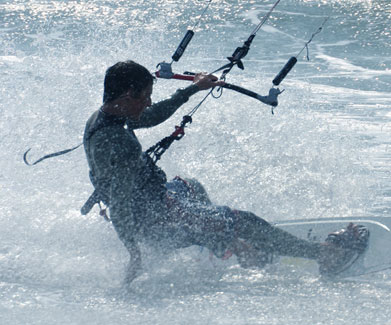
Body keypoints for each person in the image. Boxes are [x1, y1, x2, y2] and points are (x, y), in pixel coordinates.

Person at [83, 60, 369, 284]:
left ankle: (221, 240)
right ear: (128, 94)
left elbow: (152, 116)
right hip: (154, 218)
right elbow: (120, 205)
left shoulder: (107, 116)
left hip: (152, 199)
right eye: (145, 97)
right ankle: (323, 255)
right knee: (244, 220)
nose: (148, 103)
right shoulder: (117, 143)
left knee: (191, 186)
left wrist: (193, 88)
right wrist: (134, 254)